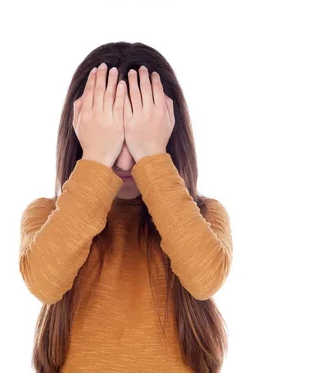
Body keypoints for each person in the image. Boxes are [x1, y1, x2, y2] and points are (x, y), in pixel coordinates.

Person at [19, 42, 233, 372]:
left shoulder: (204, 216)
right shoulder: (47, 215)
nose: (124, 159)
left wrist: (152, 157)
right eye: (110, 137)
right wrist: (95, 160)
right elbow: (44, 282)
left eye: (137, 137)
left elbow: (204, 279)